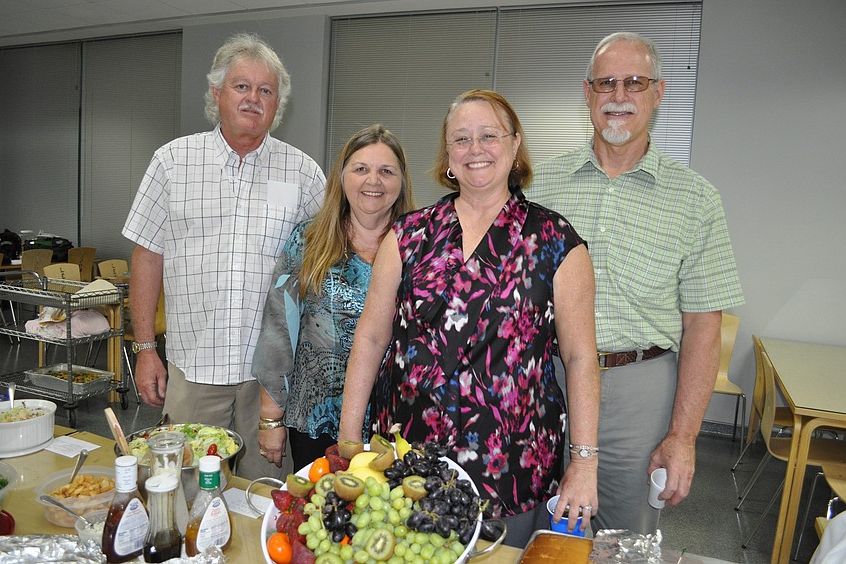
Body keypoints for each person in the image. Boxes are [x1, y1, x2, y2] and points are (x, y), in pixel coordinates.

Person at [339, 89, 601, 547]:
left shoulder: (557, 241)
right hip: (409, 458)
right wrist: (348, 442)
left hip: (512, 465)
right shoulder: (408, 234)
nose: (474, 149)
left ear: (515, 144)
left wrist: (583, 463)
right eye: (461, 139)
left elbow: (580, 358)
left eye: (488, 136)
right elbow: (371, 338)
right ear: (447, 155)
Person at [531, 32, 745, 534]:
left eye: (634, 82)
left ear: (658, 92)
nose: (619, 95)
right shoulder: (540, 184)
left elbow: (703, 328)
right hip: (542, 382)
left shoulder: (696, 200)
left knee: (620, 537)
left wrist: (684, 436)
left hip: (638, 391)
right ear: (587, 94)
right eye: (606, 83)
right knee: (533, 528)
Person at [122, 33, 326, 480]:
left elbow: (325, 264)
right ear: (217, 94)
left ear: (278, 104)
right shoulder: (173, 162)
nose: (254, 99)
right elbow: (146, 255)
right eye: (242, 86)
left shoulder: (304, 173)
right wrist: (144, 350)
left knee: (266, 494)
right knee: (185, 488)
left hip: (271, 380)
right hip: (194, 368)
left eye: (266, 90)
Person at [252, 124, 416, 472]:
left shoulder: (420, 247)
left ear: (401, 182)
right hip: (314, 422)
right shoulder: (308, 240)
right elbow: (278, 330)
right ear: (342, 177)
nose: (374, 181)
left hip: (395, 424)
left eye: (386, 171)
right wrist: (270, 419)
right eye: (361, 169)